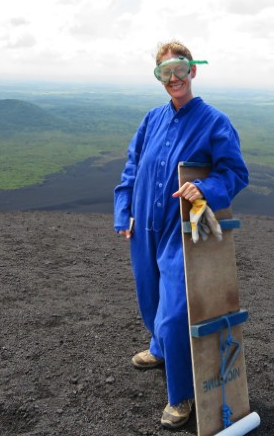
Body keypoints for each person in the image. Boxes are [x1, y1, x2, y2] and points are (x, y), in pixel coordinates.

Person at [113, 40, 249, 429]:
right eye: (164, 72)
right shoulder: (151, 119)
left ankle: (183, 396)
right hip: (144, 225)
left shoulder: (214, 122)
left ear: (193, 71)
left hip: (185, 229)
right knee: (150, 295)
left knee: (175, 312)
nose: (173, 78)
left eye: (180, 69)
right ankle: (159, 348)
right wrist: (124, 212)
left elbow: (236, 174)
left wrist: (204, 189)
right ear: (159, 77)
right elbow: (131, 167)